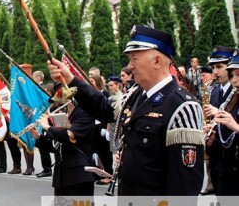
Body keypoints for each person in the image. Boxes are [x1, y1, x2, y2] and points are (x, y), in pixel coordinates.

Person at [48, 25, 204, 195]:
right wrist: (70, 79)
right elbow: (103, 109)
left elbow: (185, 183)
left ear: (157, 61)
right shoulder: (134, 95)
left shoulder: (182, 105)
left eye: (134, 59)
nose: (129, 66)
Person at [30, 99, 96, 196]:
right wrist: (38, 137)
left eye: (66, 93)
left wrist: (47, 127)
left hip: (79, 175)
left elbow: (68, 136)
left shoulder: (85, 113)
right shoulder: (62, 115)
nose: (63, 97)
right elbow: (57, 145)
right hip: (62, 176)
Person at [203, 46, 235, 195]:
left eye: (219, 67)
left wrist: (218, 113)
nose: (215, 72)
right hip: (216, 156)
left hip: (232, 158)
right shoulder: (214, 91)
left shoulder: (236, 91)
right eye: (213, 67)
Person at [210, 49, 239, 196]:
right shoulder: (233, 97)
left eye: (238, 75)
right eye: (232, 75)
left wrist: (235, 126)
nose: (234, 80)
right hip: (224, 162)